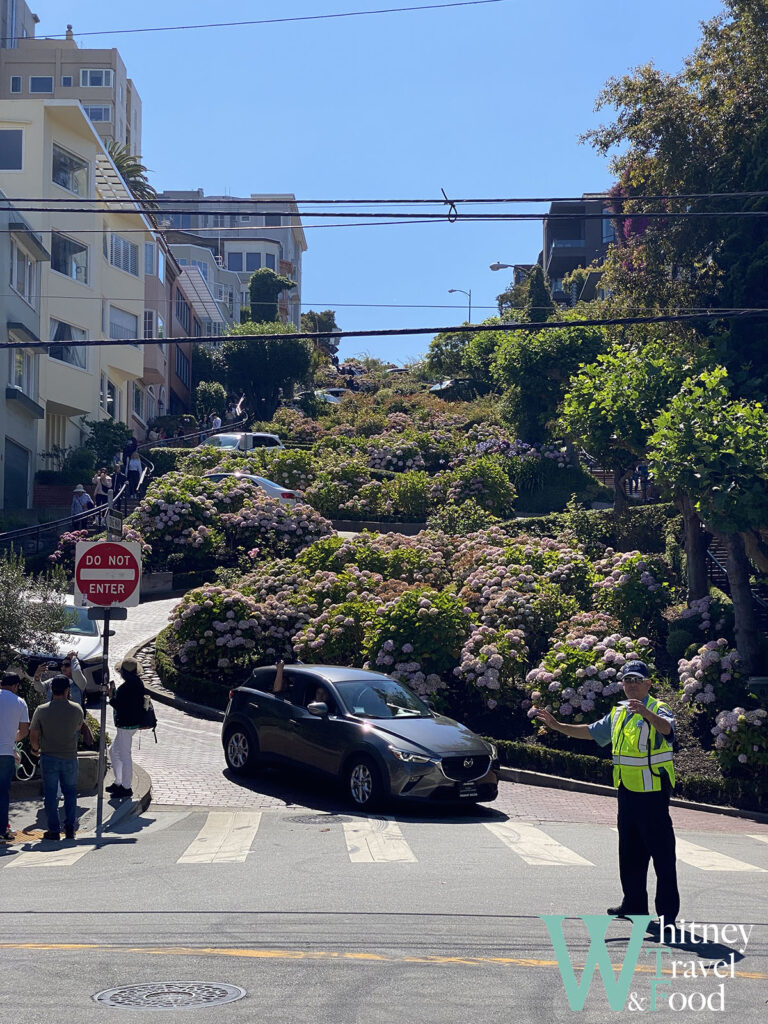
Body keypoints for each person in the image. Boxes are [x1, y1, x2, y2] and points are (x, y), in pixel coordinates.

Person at [533, 660, 679, 927]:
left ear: (648, 683)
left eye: (637, 680)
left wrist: (646, 713)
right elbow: (591, 732)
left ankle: (667, 913)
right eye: (627, 680)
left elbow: (667, 729)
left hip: (653, 794)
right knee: (630, 852)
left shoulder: (659, 708)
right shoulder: (619, 713)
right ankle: (634, 904)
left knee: (662, 856)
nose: (632, 684)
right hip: (627, 792)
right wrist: (557, 726)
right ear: (622, 685)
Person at [29, 674, 84, 841]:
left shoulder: (42, 710)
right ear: (68, 690)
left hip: (49, 756)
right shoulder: (76, 709)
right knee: (70, 793)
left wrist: (36, 748)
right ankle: (69, 829)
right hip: (69, 756)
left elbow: (34, 734)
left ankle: (53, 830)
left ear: (51, 689)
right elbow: (78, 727)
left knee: (51, 794)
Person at [108, 657, 146, 799]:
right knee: (114, 751)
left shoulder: (126, 688)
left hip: (125, 725)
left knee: (124, 755)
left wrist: (111, 696)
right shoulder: (138, 684)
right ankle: (119, 782)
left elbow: (119, 706)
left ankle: (126, 787)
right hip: (132, 724)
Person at [0, 672, 30, 843]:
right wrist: (12, 739)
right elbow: (24, 731)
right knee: (3, 793)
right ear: (15, 686)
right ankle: (2, 829)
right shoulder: (19, 702)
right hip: (5, 753)